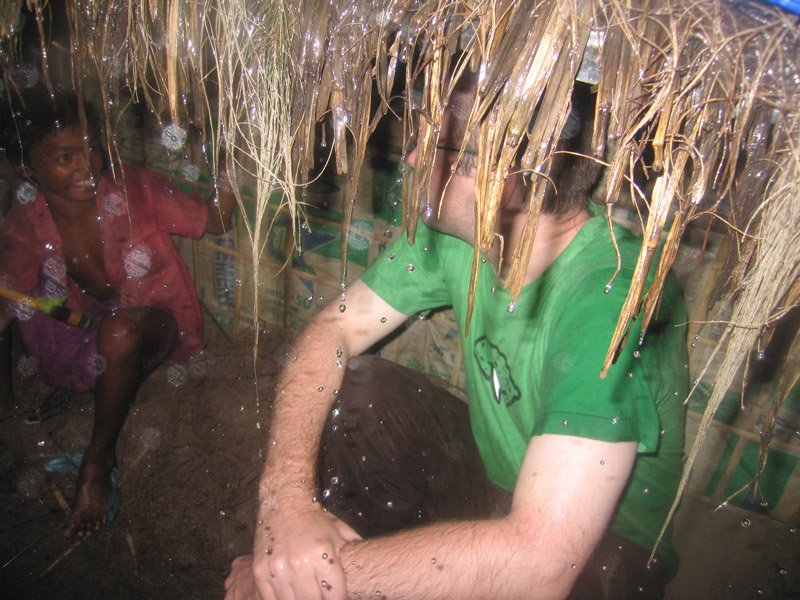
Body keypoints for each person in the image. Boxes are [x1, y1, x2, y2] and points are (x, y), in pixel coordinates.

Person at [224, 77, 688, 599]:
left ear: (509, 175)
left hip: (601, 549)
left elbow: (541, 564)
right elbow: (334, 328)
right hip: (496, 490)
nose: (417, 154)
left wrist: (305, 577)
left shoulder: (614, 302)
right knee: (361, 390)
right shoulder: (460, 236)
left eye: (441, 142)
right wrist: (284, 507)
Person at [0, 89, 236, 538]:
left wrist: (230, 163)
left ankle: (97, 460)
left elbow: (216, 221)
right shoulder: (24, 222)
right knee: (30, 306)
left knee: (119, 332)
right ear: (28, 169)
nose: (87, 165)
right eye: (64, 157)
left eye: (91, 148)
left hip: (150, 321)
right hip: (80, 326)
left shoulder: (134, 189)